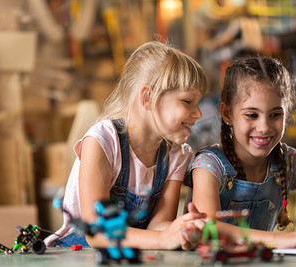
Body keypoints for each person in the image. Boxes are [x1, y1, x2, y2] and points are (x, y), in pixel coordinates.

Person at [44, 41, 208, 250]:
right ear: (147, 97)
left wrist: (183, 230)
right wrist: (163, 239)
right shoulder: (102, 141)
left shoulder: (178, 154)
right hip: (78, 253)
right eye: (187, 102)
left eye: (198, 102)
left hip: (129, 256)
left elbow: (159, 224)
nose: (199, 114)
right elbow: (97, 232)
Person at [186, 55, 296, 249]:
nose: (264, 127)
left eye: (275, 115)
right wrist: (284, 240)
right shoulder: (208, 164)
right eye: (252, 115)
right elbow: (209, 229)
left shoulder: (291, 161)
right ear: (227, 114)